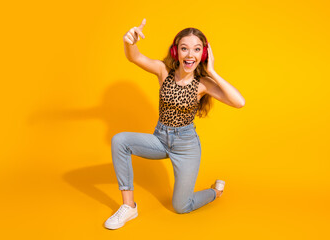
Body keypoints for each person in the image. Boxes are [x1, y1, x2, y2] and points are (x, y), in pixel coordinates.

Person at [104, 18, 245, 230]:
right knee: (119, 141)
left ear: (203, 54)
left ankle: (215, 192)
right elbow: (135, 57)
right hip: (160, 139)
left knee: (181, 206)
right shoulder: (163, 71)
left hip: (186, 146)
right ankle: (129, 206)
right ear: (176, 51)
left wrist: (212, 70)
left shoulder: (204, 84)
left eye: (197, 49)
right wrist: (129, 42)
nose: (190, 55)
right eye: (185, 48)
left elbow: (239, 102)